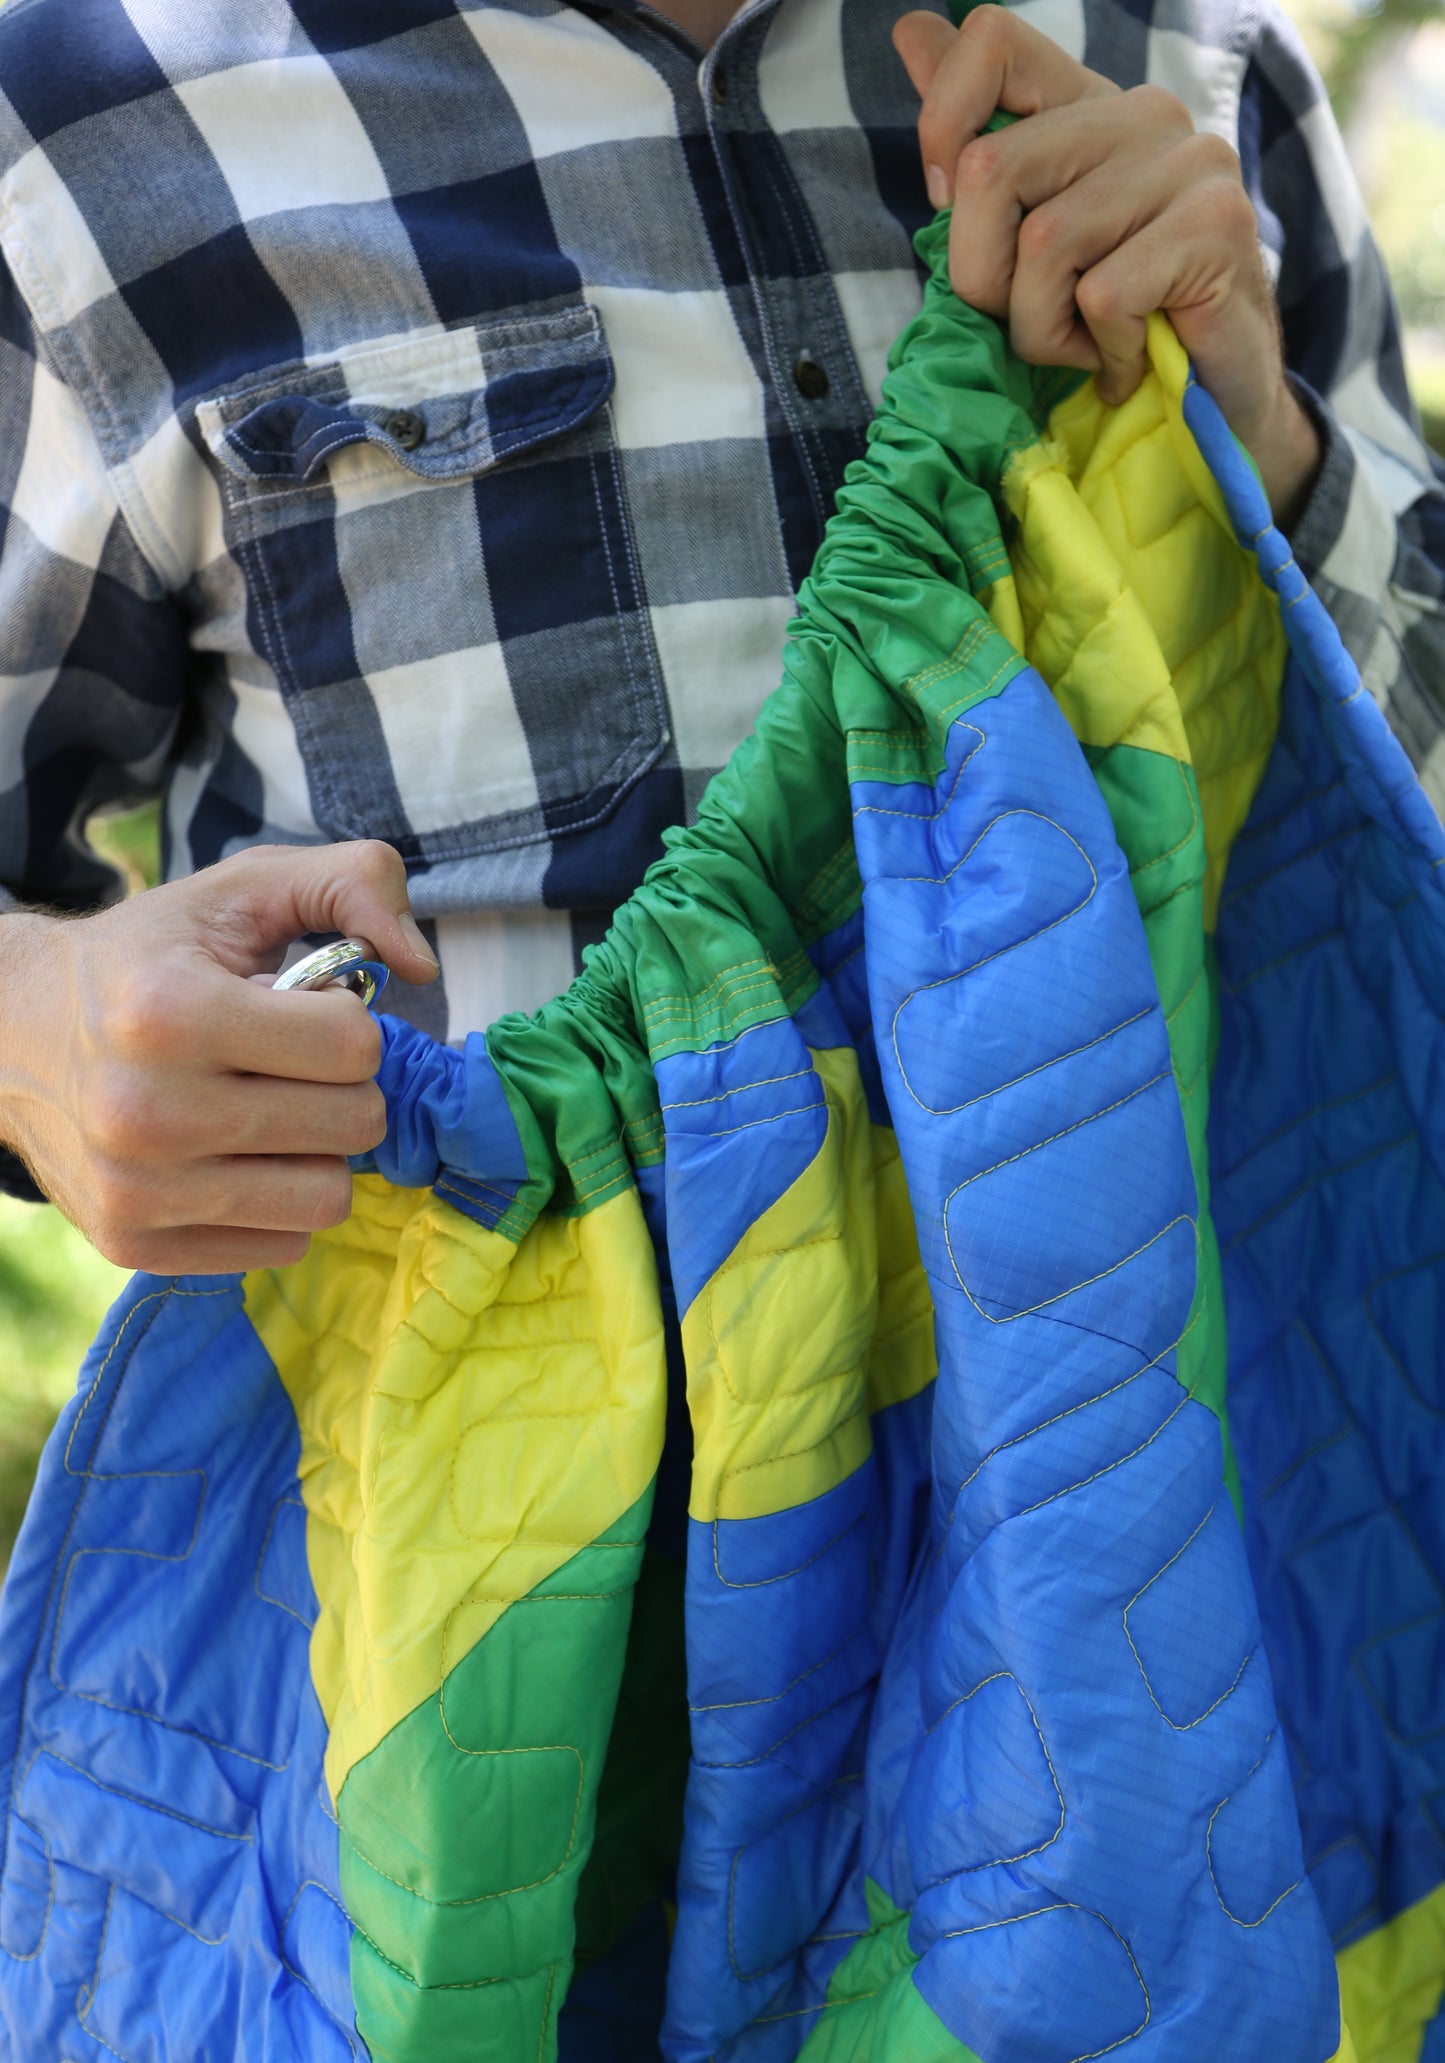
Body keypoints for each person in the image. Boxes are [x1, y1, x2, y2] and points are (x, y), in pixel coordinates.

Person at [0, 0, 1437, 1277]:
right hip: (518, 1493)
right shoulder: (80, 122)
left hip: (1208, 1378)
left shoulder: (1189, 52)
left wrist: (1262, 440)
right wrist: (36, 1040)